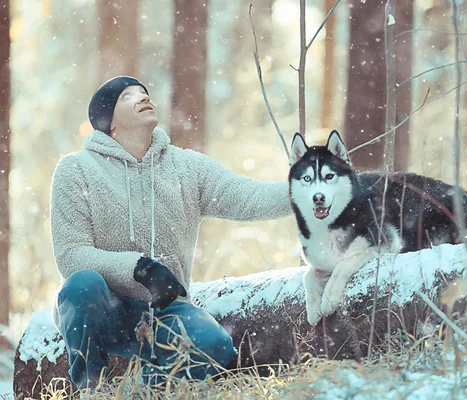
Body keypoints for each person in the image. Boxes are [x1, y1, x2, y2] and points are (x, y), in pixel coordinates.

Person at [50, 76, 292, 390]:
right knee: (81, 284)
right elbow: (72, 255)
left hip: (165, 310)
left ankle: (146, 392)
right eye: (127, 96)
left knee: (214, 343)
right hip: (104, 305)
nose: (142, 97)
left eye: (144, 92)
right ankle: (91, 390)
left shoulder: (186, 167)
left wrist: (309, 192)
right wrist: (139, 268)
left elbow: (247, 197)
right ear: (108, 122)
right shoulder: (76, 170)